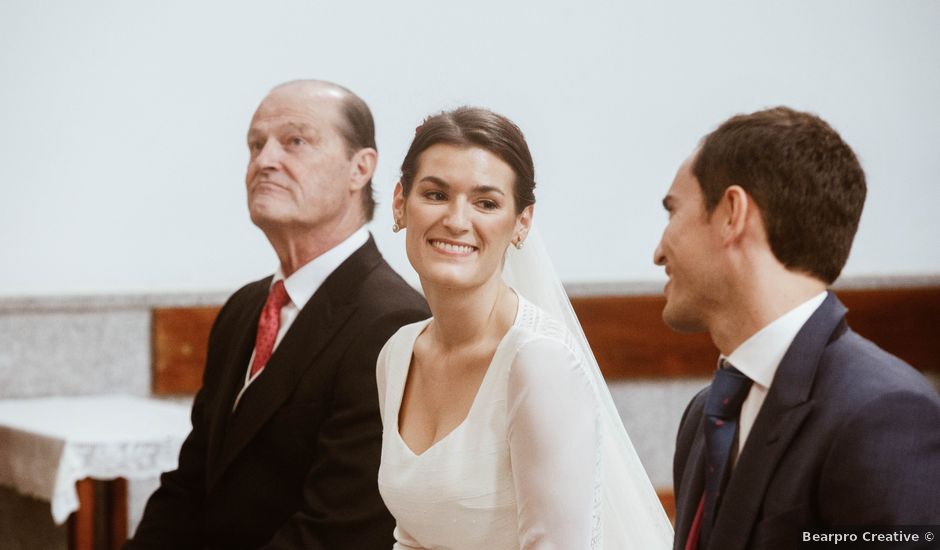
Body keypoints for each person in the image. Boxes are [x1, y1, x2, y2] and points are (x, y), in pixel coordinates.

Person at [125, 80, 429, 550]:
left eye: (295, 141)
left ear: (360, 169)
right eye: (255, 145)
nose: (265, 160)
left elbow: (339, 529)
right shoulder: (244, 309)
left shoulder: (392, 322)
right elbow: (189, 486)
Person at [376, 107, 673, 549]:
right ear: (401, 202)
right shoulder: (397, 354)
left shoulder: (538, 361)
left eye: (486, 203)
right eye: (436, 195)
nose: (457, 220)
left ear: (522, 222)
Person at [658, 107, 940, 550]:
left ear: (733, 212)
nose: (658, 251)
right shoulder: (704, 414)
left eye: (672, 212)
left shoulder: (881, 413)